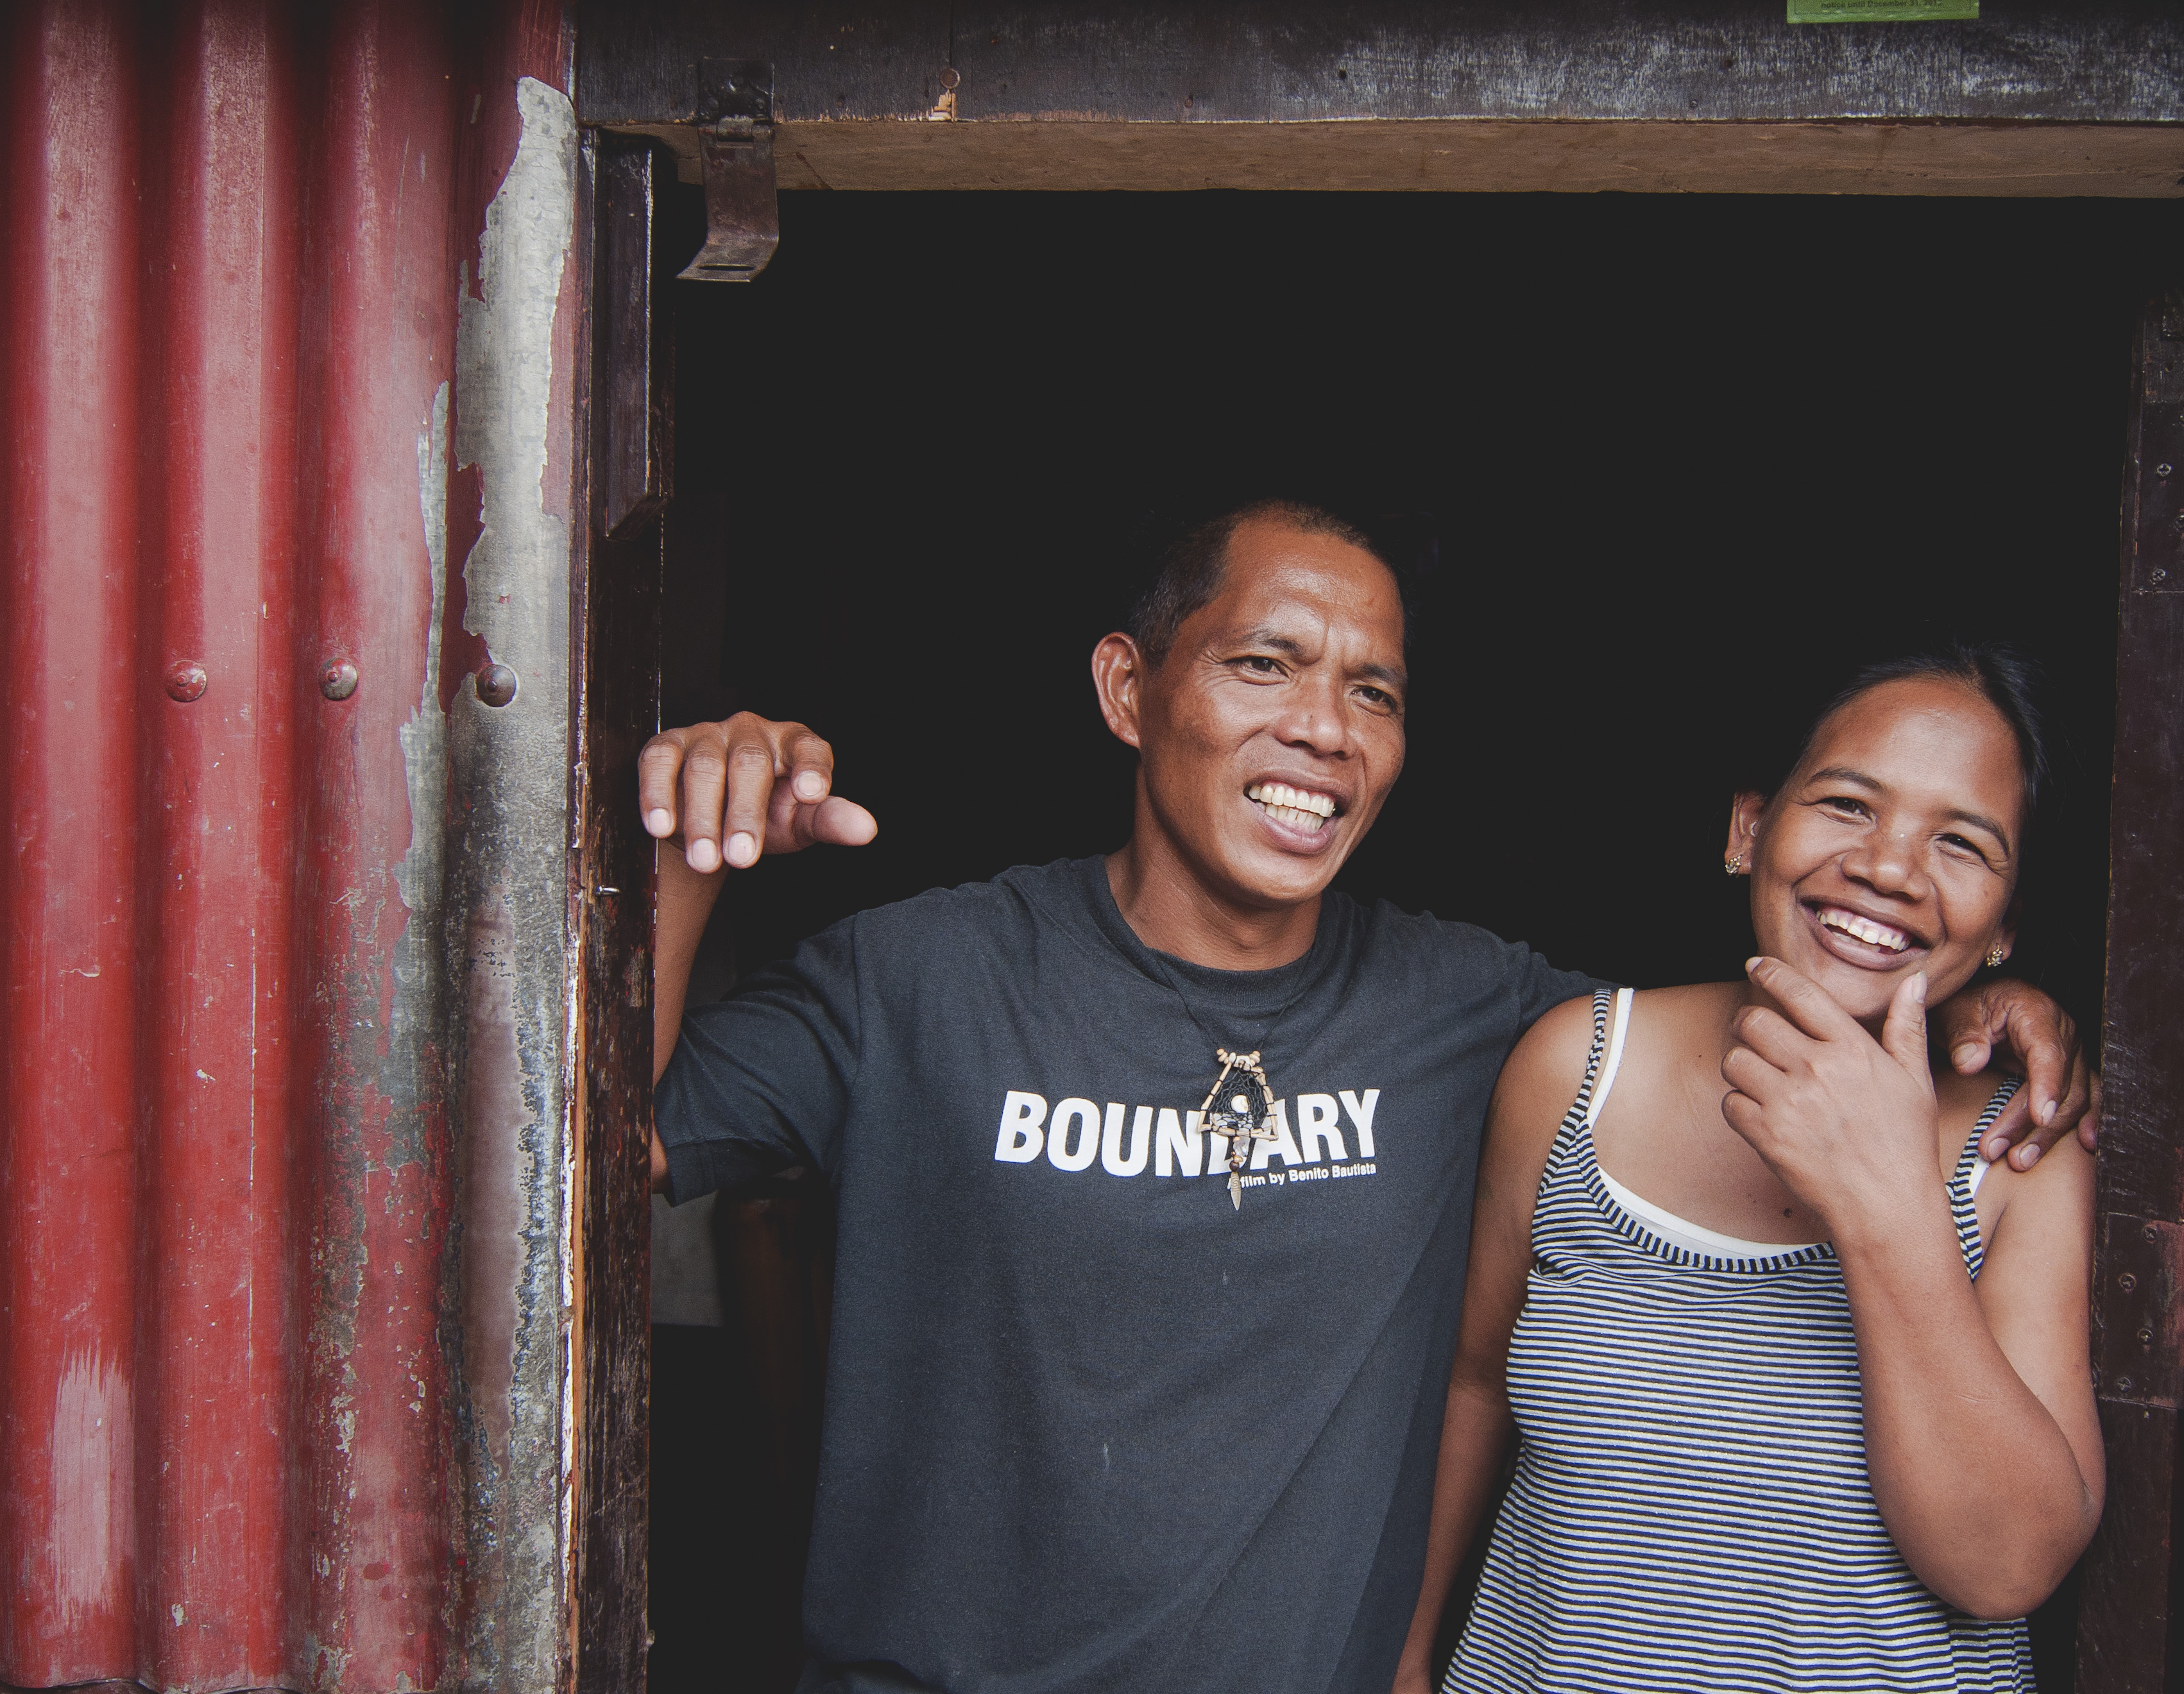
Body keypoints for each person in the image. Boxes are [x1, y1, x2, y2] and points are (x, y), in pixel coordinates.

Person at [640, 502, 2099, 1694]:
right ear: (1128, 689)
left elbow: (1773, 992)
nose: (1325, 729)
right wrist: (683, 858)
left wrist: (1975, 1007)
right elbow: (597, 1166)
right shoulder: (919, 976)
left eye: (1374, 692)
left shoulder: (1475, 1013)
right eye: (1264, 663)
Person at [1395, 647, 2101, 1694]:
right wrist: (1409, 1659)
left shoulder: (2022, 1147)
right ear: (1747, 829)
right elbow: (1475, 1383)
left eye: (1961, 842)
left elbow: (2005, 1567)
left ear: (2006, 926)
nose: (1890, 868)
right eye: (1848, 804)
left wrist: (1887, 1203)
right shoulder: (1575, 1068)